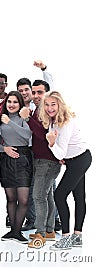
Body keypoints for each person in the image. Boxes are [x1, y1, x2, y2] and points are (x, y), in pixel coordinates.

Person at [37, 91, 92, 251]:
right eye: (46, 105)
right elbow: (62, 153)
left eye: (53, 104)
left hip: (81, 159)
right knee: (78, 196)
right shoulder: (53, 121)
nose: (49, 108)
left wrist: (52, 143)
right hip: (72, 161)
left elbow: (60, 151)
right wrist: (59, 151)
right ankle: (77, 236)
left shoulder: (66, 122)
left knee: (59, 195)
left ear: (60, 104)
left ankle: (66, 237)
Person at [20, 80, 62, 248]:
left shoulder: (49, 111)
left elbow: (42, 134)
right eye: (34, 92)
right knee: (47, 195)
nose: (36, 95)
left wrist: (28, 119)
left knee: (38, 196)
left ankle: (41, 234)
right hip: (41, 159)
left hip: (47, 161)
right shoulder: (41, 109)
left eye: (40, 92)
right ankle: (49, 230)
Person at [0, 91, 33, 244]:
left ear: (19, 104)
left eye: (15, 102)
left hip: (23, 158)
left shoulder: (23, 118)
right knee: (11, 198)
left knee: (23, 199)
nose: (11, 105)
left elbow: (26, 136)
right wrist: (4, 149)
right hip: (6, 159)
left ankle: (17, 231)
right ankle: (12, 231)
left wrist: (10, 122)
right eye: (9, 102)